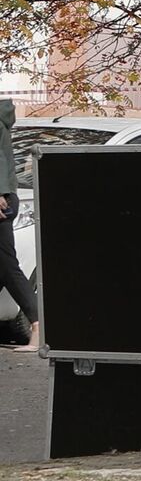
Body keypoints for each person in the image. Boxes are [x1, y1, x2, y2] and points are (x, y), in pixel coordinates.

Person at [0, 97, 38, 351]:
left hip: (2, 200)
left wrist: (0, 193)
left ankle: (38, 326)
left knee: (7, 265)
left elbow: (0, 161)